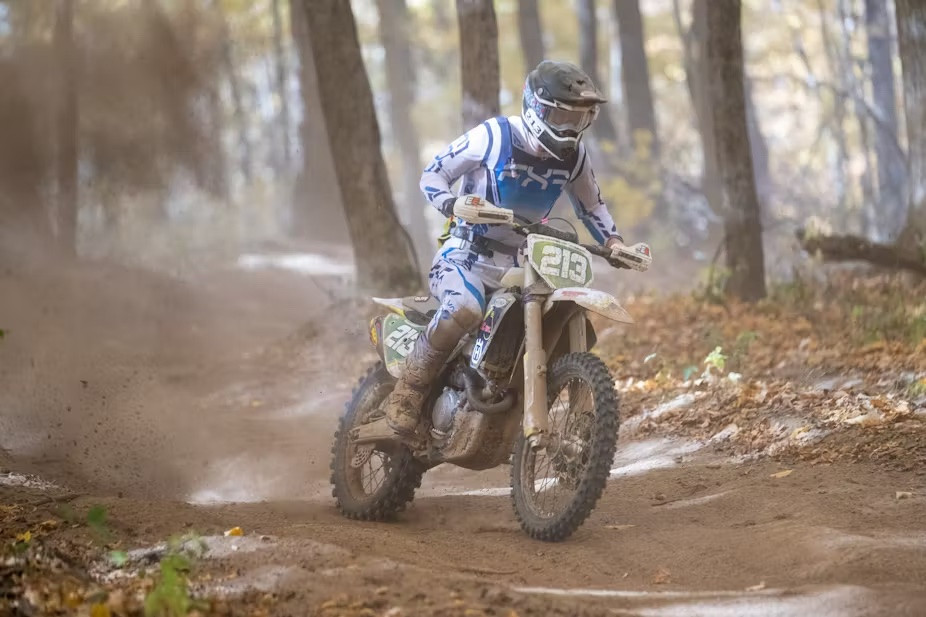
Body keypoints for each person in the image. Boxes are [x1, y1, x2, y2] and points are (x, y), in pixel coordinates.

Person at [383, 60, 645, 438]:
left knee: (555, 316)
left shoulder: (575, 157)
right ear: (537, 108)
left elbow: (591, 206)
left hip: (525, 262)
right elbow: (434, 172)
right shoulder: (495, 135)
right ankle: (409, 389)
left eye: (579, 119)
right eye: (561, 116)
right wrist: (449, 203)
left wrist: (615, 243)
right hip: (465, 255)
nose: (570, 128)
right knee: (464, 308)